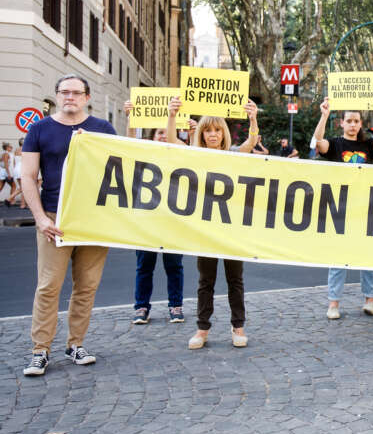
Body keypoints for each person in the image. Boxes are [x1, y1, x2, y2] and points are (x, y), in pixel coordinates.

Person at [21, 75, 116, 376]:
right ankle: (40, 350)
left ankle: (76, 344)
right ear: (58, 96)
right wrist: (40, 218)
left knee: (86, 286)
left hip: (92, 219)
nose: (70, 97)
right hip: (54, 217)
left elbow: (121, 170)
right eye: (64, 92)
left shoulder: (103, 129)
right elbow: (27, 176)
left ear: (87, 97)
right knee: (49, 286)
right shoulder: (40, 129)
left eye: (76, 92)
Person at [166, 95, 260, 349]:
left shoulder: (233, 154)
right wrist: (172, 115)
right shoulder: (194, 154)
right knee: (205, 281)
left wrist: (253, 118)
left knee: (235, 280)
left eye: (217, 130)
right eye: (208, 130)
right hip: (205, 230)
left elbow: (251, 142)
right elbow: (172, 142)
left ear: (224, 133)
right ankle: (202, 328)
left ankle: (238, 326)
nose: (212, 135)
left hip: (231, 229)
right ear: (202, 134)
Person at [315, 97, 373, 319]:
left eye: (356, 120)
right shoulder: (335, 144)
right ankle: (333, 304)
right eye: (348, 120)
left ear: (360, 124)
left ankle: (370, 300)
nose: (352, 124)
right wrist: (324, 115)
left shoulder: (368, 145)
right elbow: (318, 141)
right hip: (340, 208)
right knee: (338, 257)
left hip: (366, 209)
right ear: (341, 123)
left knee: (369, 256)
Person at [123, 101, 186, 324]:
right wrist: (130, 118)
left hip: (172, 220)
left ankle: (176, 306)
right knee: (144, 267)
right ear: (151, 135)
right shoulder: (143, 152)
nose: (162, 136)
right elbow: (130, 142)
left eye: (165, 132)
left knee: (174, 266)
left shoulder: (180, 153)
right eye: (159, 132)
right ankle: (141, 307)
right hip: (146, 220)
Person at [7, 139, 25, 208]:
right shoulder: (24, 149)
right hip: (22, 168)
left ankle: (22, 204)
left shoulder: (16, 150)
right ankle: (9, 199)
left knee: (22, 188)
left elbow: (14, 162)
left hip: (16, 169)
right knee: (23, 188)